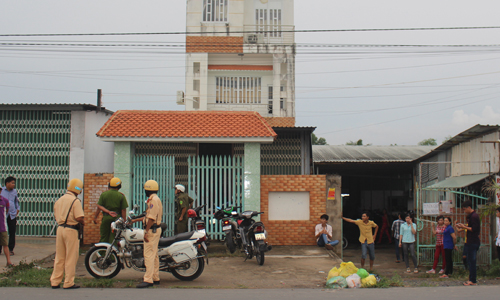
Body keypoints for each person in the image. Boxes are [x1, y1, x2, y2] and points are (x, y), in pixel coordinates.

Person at [50, 178, 85, 289]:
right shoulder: (75, 201)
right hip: (71, 230)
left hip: (60, 229)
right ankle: (68, 282)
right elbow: (79, 217)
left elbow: (56, 216)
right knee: (71, 257)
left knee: (60, 256)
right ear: (78, 189)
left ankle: (55, 281)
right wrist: (84, 223)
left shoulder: (59, 200)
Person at [135, 180, 163, 288]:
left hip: (152, 230)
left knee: (148, 255)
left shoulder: (153, 200)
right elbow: (148, 216)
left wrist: (146, 232)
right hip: (155, 229)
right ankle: (155, 277)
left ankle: (148, 279)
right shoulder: (154, 199)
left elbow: (151, 218)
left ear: (148, 190)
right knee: (154, 255)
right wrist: (134, 221)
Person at [93, 177, 128, 244]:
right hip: (116, 219)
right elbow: (123, 210)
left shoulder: (104, 194)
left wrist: (95, 217)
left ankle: (102, 252)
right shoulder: (121, 196)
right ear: (119, 186)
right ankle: (113, 253)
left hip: (106, 218)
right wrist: (124, 221)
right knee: (114, 238)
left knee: (104, 237)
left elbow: (99, 207)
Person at [456, 200, 480, 286]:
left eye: (464, 209)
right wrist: (462, 227)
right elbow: (469, 227)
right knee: (470, 261)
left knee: (472, 261)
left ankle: (473, 280)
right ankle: (471, 279)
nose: (464, 211)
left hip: (473, 242)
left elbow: (474, 229)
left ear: (469, 208)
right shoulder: (471, 216)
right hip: (470, 241)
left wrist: (464, 226)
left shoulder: (474, 216)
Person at [0, 177, 20, 256]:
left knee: (12, 231)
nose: (13, 185)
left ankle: (11, 249)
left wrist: (17, 209)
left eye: (14, 183)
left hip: (12, 214)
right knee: (1, 232)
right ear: (7, 183)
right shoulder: (2, 191)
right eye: (12, 183)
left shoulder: (14, 192)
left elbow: (16, 201)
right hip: (3, 215)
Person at [0, 187, 14, 266]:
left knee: (5, 244)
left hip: (3, 227)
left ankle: (8, 262)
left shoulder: (5, 201)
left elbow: (7, 211)